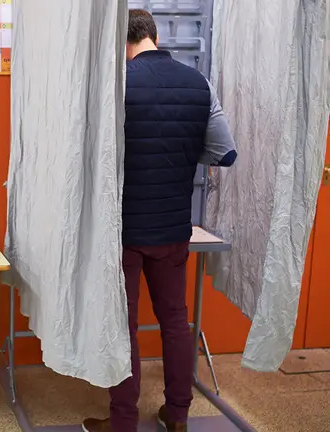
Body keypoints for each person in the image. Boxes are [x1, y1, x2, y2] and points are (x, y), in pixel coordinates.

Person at [82, 9, 237, 432]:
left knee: (124, 326)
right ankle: (179, 415)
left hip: (126, 230)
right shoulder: (198, 84)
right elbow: (225, 152)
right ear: (154, 35)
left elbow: (94, 157)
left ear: (124, 43)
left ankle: (123, 422)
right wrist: (182, 153)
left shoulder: (118, 86)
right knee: (175, 320)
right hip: (173, 228)